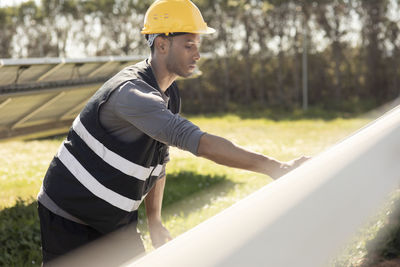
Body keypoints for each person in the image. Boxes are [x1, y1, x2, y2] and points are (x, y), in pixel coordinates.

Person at [37, 0, 308, 265]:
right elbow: (200, 143)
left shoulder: (168, 94)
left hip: (115, 220)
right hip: (69, 216)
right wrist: (276, 167)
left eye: (198, 45)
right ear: (162, 44)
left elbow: (157, 164)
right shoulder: (133, 95)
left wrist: (154, 221)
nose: (197, 54)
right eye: (189, 45)